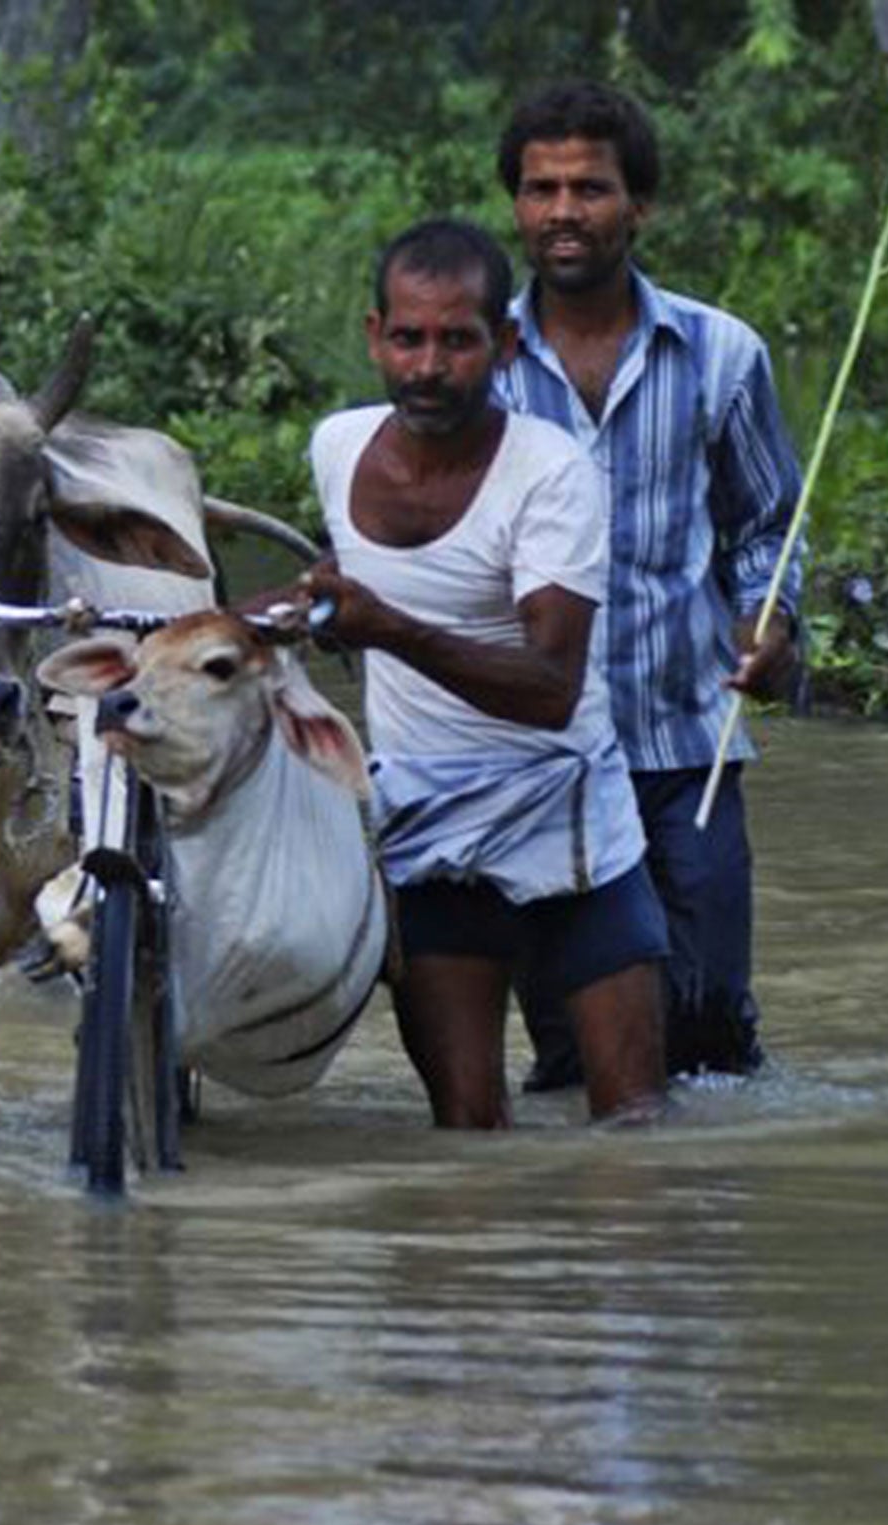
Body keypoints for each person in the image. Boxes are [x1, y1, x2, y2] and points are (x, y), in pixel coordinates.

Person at [292, 217, 668, 1129]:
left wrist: (384, 626)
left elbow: (550, 689)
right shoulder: (337, 446)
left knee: (635, 1138)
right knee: (465, 1138)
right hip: (423, 814)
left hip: (566, 805)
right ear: (374, 335)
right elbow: (348, 608)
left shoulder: (552, 471)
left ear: (503, 345)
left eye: (457, 341)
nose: (428, 367)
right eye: (409, 338)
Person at [494, 81, 803, 1088]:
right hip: (535, 764)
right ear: (515, 207)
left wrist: (770, 621)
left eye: (589, 187)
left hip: (687, 752)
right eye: (540, 189)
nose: (562, 211)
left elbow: (765, 526)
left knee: (712, 1046)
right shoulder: (474, 365)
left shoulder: (721, 355)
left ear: (638, 207)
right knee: (572, 1061)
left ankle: (695, 1233)